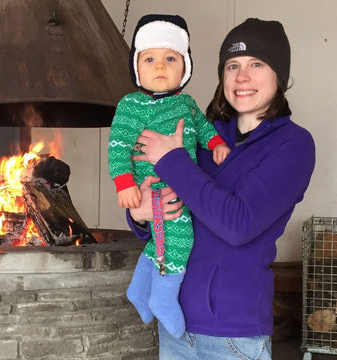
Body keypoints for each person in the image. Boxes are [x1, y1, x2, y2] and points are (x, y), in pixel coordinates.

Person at [127, 18, 315, 359]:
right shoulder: (200, 134)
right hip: (176, 325)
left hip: (234, 336)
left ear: (280, 76)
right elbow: (168, 201)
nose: (242, 77)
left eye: (256, 64)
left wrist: (172, 159)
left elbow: (238, 225)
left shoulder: (293, 145)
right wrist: (139, 214)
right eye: (233, 66)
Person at [108, 14, 230, 338]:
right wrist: (124, 183)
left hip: (182, 185)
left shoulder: (188, 103)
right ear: (137, 67)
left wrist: (216, 143)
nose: (160, 66)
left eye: (170, 58)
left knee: (162, 242)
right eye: (150, 59)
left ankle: (139, 290)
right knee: (181, 239)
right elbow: (118, 144)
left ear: (184, 67)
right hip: (156, 188)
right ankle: (162, 298)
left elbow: (204, 128)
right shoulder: (130, 105)